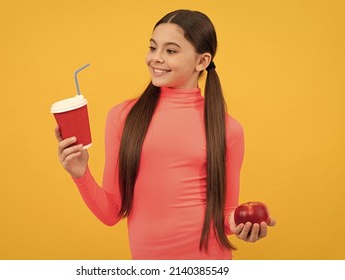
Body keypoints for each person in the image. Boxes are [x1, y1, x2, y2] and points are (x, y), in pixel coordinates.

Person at [55, 9, 276, 259]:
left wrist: (240, 224)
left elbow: (226, 216)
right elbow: (111, 213)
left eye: (170, 51)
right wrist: (80, 174)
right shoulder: (123, 117)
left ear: (202, 61)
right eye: (153, 47)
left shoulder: (228, 129)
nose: (156, 58)